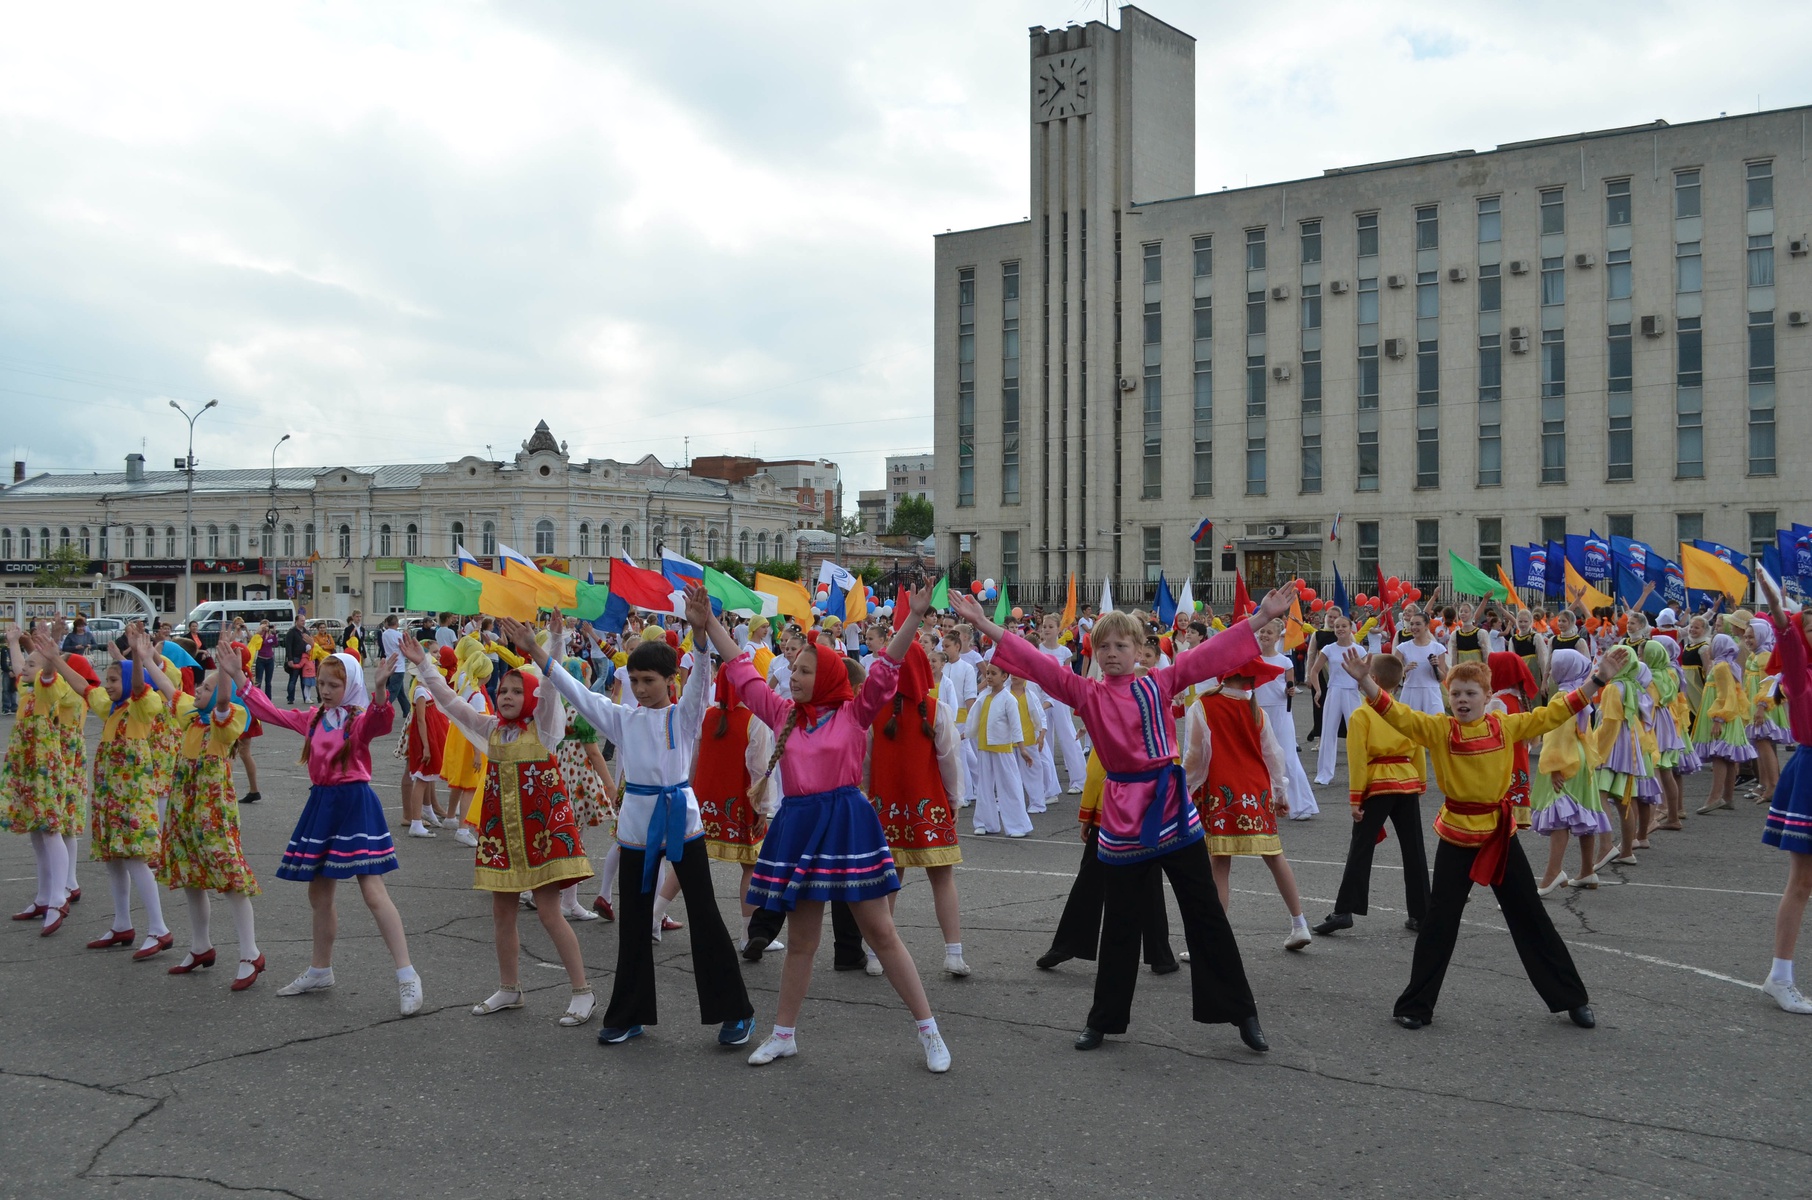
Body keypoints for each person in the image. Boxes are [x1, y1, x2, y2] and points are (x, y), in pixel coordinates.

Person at [954, 584, 1296, 1054]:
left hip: (1172, 809)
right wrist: (983, 625)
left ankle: (1242, 1012)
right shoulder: (1084, 692)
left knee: (1207, 916)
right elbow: (1033, 662)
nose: (1112, 653)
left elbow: (1211, 654)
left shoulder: (1159, 682)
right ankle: (1103, 1019)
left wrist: (1261, 618)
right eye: (1104, 646)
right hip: (1122, 815)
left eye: (1122, 646)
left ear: (1139, 652)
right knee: (1119, 923)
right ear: (1093, 653)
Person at [696, 581, 952, 1073]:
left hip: (848, 825)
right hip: (799, 827)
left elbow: (887, 667)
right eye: (792, 668)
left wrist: (914, 619)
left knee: (880, 932)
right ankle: (784, 1034)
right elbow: (742, 673)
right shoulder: (783, 713)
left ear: (829, 676)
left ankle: (929, 1031)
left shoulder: (855, 713)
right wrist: (708, 623)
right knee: (802, 941)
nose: (793, 675)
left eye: (804, 670)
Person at [1338, 648, 1631, 1031]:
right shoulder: (1439, 730)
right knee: (1439, 922)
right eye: (1456, 693)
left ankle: (1571, 998)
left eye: (1470, 693)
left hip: (1498, 835)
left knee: (1530, 916)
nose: (1462, 700)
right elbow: (1397, 713)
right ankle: (1415, 1005)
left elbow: (1553, 713)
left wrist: (1599, 678)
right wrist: (1365, 680)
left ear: (1486, 695)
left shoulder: (1504, 726)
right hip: (1457, 835)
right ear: (1448, 696)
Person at [519, 611, 755, 1047]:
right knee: (632, 925)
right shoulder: (622, 718)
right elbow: (576, 691)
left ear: (670, 681)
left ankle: (734, 1011)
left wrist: (700, 635)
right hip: (635, 829)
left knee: (705, 919)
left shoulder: (685, 716)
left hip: (683, 825)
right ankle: (630, 1014)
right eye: (636, 680)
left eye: (650, 680)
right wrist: (537, 650)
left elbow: (702, 677)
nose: (642, 689)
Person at [401, 630, 596, 1027]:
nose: (506, 696)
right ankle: (510, 987)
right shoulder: (491, 729)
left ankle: (583, 992)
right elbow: (450, 701)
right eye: (502, 690)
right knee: (501, 913)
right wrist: (424, 665)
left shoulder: (543, 727)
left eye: (515, 691)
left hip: (540, 830)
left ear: (530, 697)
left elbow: (550, 685)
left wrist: (555, 641)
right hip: (503, 832)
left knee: (548, 913)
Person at [35, 622, 174, 959]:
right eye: (108, 680)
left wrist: (139, 658)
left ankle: (159, 928)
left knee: (136, 858)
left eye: (114, 680)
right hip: (111, 793)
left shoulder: (142, 705)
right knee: (114, 860)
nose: (108, 685)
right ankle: (122, 923)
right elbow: (83, 685)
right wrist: (55, 658)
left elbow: (139, 685)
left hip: (133, 795)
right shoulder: (110, 707)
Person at [1183, 657, 1312, 951]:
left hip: (1222, 792)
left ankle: (1211, 939)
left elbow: (1195, 756)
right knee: (1274, 855)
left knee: (1219, 864)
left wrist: (1184, 786)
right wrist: (1280, 794)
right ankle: (1299, 923)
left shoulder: (1203, 706)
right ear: (1251, 680)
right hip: (1257, 792)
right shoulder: (1257, 712)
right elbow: (1273, 756)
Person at [155, 655, 265, 991]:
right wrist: (144, 656)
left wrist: (227, 673)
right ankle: (201, 947)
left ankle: (251, 953)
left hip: (212, 811)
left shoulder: (224, 723)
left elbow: (222, 702)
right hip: (185, 810)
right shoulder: (193, 719)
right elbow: (169, 689)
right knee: (190, 876)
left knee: (230, 878)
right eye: (200, 686)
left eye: (205, 687)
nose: (198, 691)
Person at [868, 639, 968, 976]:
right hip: (929, 807)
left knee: (887, 879)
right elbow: (950, 761)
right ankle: (953, 952)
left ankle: (873, 953)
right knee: (942, 878)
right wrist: (954, 799)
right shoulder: (937, 710)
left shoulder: (875, 712)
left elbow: (866, 763)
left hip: (885, 807)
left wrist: (868, 797)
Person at [1311, 654, 1430, 936]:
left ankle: (1343, 911)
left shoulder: (1362, 715)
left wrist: (1355, 799)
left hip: (1378, 784)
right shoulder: (1403, 711)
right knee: (1414, 849)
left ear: (1372, 680)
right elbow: (1418, 750)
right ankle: (1422, 912)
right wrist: (1420, 783)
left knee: (1361, 848)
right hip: (1407, 782)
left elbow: (1358, 759)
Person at [5, 624, 91, 935]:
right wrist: (15, 642)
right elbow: (22, 669)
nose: (23, 668)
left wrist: (51, 652)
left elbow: (45, 673)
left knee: (51, 829)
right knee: (37, 833)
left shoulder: (47, 688)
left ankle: (59, 897)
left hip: (45, 767)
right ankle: (43, 896)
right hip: (28, 765)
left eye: (31, 663)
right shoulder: (28, 690)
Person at [1756, 571, 1812, 1013]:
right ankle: (1781, 975)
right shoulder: (1799, 673)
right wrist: (1779, 610)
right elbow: (1785, 632)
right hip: (1810, 773)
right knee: (1803, 881)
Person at [693, 661, 777, 948]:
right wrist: (763, 807)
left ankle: (654, 918)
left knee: (690, 862)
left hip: (704, 801)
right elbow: (759, 770)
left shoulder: (706, 716)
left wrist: (690, 793)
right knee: (751, 866)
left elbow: (694, 760)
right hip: (739, 804)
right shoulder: (754, 720)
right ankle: (747, 934)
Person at [1529, 649, 1611, 892]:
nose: (1551, 672)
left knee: (1561, 817)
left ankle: (1553, 872)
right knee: (1583, 812)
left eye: (1554, 667)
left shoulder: (1562, 697)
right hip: (1581, 755)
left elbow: (1557, 734)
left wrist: (1555, 767)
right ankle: (1587, 870)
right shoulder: (1580, 694)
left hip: (1566, 757)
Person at [1255, 618, 1317, 819]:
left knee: (1287, 757)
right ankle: (1261, 804)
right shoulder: (1252, 659)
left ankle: (1302, 806)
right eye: (1262, 631)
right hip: (1256, 712)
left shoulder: (1285, 661)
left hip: (1281, 711)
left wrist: (1289, 690)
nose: (1264, 635)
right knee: (1259, 758)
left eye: (1269, 633)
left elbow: (1287, 685)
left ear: (1277, 637)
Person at [965, 661, 1034, 838]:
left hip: (1003, 748)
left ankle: (1018, 825)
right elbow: (974, 720)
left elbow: (1016, 725)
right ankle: (985, 823)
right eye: (987, 673)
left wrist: (1022, 749)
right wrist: (964, 735)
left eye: (993, 673)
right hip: (984, 747)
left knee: (1009, 785)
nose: (988, 676)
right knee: (984, 786)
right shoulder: (983, 696)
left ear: (1005, 677)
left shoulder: (1008, 698)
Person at [1692, 633, 1755, 814]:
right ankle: (1727, 797)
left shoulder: (1721, 667)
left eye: (1712, 645)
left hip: (1722, 715)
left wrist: (1719, 718)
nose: (1708, 649)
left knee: (1719, 754)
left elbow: (1725, 694)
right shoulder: (1727, 665)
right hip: (1728, 713)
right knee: (1727, 756)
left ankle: (1715, 796)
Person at [1310, 615, 1369, 787]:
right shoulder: (1329, 649)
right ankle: (1324, 774)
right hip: (1334, 691)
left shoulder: (1359, 650)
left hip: (1351, 693)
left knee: (1357, 733)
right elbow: (1314, 671)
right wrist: (1319, 690)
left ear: (1350, 628)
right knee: (1328, 732)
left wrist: (1363, 686)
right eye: (1337, 626)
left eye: (1343, 626)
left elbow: (1366, 674)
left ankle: (1361, 772)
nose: (1340, 629)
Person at [1037, 613, 1089, 791]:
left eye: (1050, 626)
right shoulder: (1038, 650)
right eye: (1044, 626)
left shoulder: (1064, 652)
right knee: (1044, 737)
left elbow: (1069, 676)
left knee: (1067, 734)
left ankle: (1079, 780)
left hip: (1059, 697)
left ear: (1058, 629)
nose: (1046, 629)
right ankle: (1047, 783)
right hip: (1042, 697)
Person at [379, 615, 407, 714]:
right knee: (393, 691)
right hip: (399, 665)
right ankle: (384, 709)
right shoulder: (398, 635)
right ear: (396, 623)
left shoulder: (385, 634)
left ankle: (407, 710)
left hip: (389, 663)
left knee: (400, 692)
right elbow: (404, 649)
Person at [282, 619, 309, 705]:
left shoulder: (306, 631)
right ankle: (290, 698)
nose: (303, 622)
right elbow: (288, 646)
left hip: (304, 657)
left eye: (304, 620)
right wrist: (290, 659)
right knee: (293, 679)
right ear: (296, 621)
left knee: (304, 679)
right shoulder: (292, 632)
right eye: (301, 620)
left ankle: (306, 697)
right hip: (295, 658)